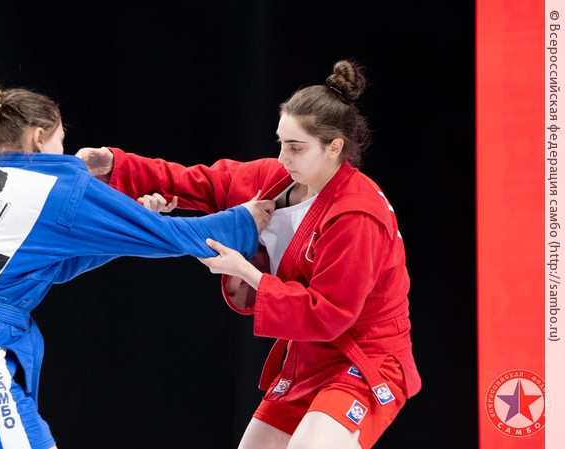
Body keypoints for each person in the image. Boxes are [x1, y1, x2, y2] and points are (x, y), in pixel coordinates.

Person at [0, 69, 275, 449]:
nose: (64, 151)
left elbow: (49, 265)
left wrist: (131, 225)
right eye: (61, 139)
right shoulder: (55, 182)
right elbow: (170, 236)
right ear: (39, 136)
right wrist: (243, 220)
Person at [76, 60, 420, 449]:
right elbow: (199, 181)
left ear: (334, 147)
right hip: (309, 356)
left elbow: (329, 314)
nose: (284, 157)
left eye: (296, 147)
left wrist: (248, 272)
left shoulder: (357, 215)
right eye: (281, 142)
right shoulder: (274, 180)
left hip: (365, 356)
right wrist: (117, 165)